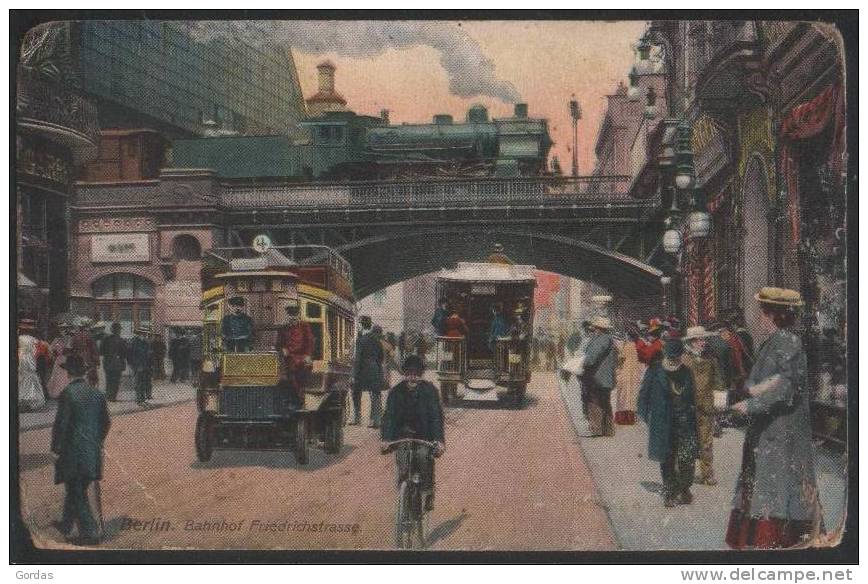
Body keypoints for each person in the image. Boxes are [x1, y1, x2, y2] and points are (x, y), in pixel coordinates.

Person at [725, 287, 822, 549]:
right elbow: (769, 381)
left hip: (781, 430)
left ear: (775, 316)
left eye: (764, 313)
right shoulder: (777, 340)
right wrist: (747, 392)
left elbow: (785, 387)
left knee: (777, 487)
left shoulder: (787, 341)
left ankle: (780, 542)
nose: (760, 318)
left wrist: (751, 405)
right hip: (770, 429)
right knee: (767, 484)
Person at [50, 354, 111, 545]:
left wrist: (56, 449)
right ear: (84, 373)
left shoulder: (68, 394)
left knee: (77, 490)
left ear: (68, 373)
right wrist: (96, 441)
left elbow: (62, 425)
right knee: (76, 487)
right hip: (92, 452)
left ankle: (91, 532)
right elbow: (106, 423)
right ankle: (67, 524)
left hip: (73, 454)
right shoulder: (97, 394)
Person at [637, 338, 699, 507]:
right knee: (667, 458)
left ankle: (684, 487)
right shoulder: (655, 371)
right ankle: (670, 492)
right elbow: (644, 394)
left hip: (684, 421)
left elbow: (692, 397)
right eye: (670, 357)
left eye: (676, 357)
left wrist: (693, 417)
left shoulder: (686, 372)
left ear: (681, 356)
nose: (673, 361)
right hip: (663, 422)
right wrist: (644, 415)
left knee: (687, 458)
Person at [380, 354, 445, 511]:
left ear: (421, 375)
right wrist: (386, 439)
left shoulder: (430, 391)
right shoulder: (395, 392)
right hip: (403, 436)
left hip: (424, 437)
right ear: (404, 374)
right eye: (409, 373)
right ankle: (404, 499)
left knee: (423, 458)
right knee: (403, 464)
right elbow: (389, 416)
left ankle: (428, 493)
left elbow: (436, 416)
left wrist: (439, 440)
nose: (412, 377)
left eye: (416, 374)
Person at [682, 326, 724, 486]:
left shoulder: (711, 358)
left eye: (703, 339)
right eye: (699, 340)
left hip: (706, 406)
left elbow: (718, 380)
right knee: (686, 440)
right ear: (692, 342)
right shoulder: (684, 359)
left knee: (706, 441)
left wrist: (719, 401)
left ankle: (707, 475)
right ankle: (684, 475)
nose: (703, 342)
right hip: (688, 407)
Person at [580, 316, 619, 437]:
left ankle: (596, 429)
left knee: (594, 401)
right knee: (604, 402)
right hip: (602, 377)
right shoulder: (606, 338)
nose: (594, 329)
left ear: (599, 328)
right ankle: (607, 430)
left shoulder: (603, 339)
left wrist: (579, 362)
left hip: (598, 377)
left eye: (595, 327)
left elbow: (592, 358)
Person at [275, 303, 314, 409]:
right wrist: (283, 349)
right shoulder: (283, 327)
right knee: (285, 377)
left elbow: (309, 341)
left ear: (298, 314)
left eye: (294, 314)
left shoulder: (304, 325)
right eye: (290, 314)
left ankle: (300, 401)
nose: (292, 317)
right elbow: (279, 343)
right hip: (288, 357)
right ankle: (290, 401)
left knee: (300, 376)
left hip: (301, 356)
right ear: (287, 315)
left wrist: (307, 355)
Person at [351, 316, 384, 427]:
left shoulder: (360, 340)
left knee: (355, 391)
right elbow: (381, 357)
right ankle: (375, 420)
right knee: (375, 394)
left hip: (362, 370)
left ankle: (357, 418)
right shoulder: (378, 340)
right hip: (374, 368)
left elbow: (357, 359)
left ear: (361, 325)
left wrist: (354, 375)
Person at [614, 323, 644, 425]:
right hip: (635, 371)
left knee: (623, 395)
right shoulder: (638, 345)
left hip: (625, 371)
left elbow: (621, 358)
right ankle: (631, 417)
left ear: (628, 335)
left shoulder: (627, 346)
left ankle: (623, 418)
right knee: (632, 395)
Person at [18, 319, 47, 411]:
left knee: (22, 378)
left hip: (21, 358)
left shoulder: (19, 338)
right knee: (30, 377)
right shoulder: (34, 340)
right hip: (29, 359)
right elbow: (37, 352)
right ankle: (30, 401)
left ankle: (22, 399)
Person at [100, 323, 127, 402]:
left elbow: (101, 351)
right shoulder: (120, 340)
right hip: (116, 363)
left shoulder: (106, 338)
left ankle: (110, 397)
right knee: (115, 380)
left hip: (109, 363)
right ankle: (112, 397)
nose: (118, 331)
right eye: (118, 329)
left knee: (110, 380)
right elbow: (124, 353)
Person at [127, 325, 153, 406]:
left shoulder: (145, 342)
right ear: (139, 333)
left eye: (146, 334)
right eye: (144, 334)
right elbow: (130, 356)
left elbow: (147, 354)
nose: (145, 335)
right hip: (137, 367)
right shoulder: (133, 342)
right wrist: (135, 366)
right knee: (138, 384)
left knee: (143, 383)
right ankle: (139, 400)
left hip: (145, 366)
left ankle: (143, 399)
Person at [47, 323, 74, 399]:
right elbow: (50, 349)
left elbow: (71, 349)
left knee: (66, 375)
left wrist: (67, 350)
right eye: (62, 329)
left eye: (65, 329)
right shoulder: (57, 340)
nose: (63, 331)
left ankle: (66, 392)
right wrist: (55, 353)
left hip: (66, 359)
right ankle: (58, 392)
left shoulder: (69, 338)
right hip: (59, 359)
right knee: (58, 375)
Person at [71, 321, 100, 388]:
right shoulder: (89, 335)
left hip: (78, 356)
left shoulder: (75, 336)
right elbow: (94, 349)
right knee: (90, 374)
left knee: (79, 374)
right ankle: (90, 388)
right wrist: (97, 361)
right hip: (88, 356)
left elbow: (72, 347)